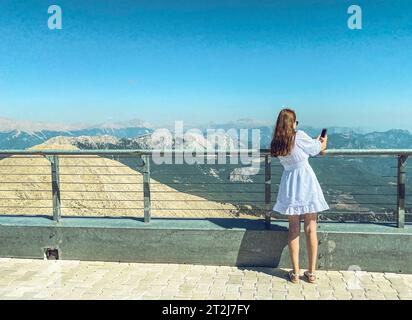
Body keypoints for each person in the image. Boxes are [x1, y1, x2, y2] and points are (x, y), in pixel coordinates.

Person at [270, 108, 329, 284]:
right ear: (293, 123)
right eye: (296, 122)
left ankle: (295, 273)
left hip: (289, 183)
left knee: (293, 228)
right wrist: (323, 140)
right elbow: (319, 149)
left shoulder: (277, 142)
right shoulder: (299, 135)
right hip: (306, 183)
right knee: (311, 227)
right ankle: (311, 273)